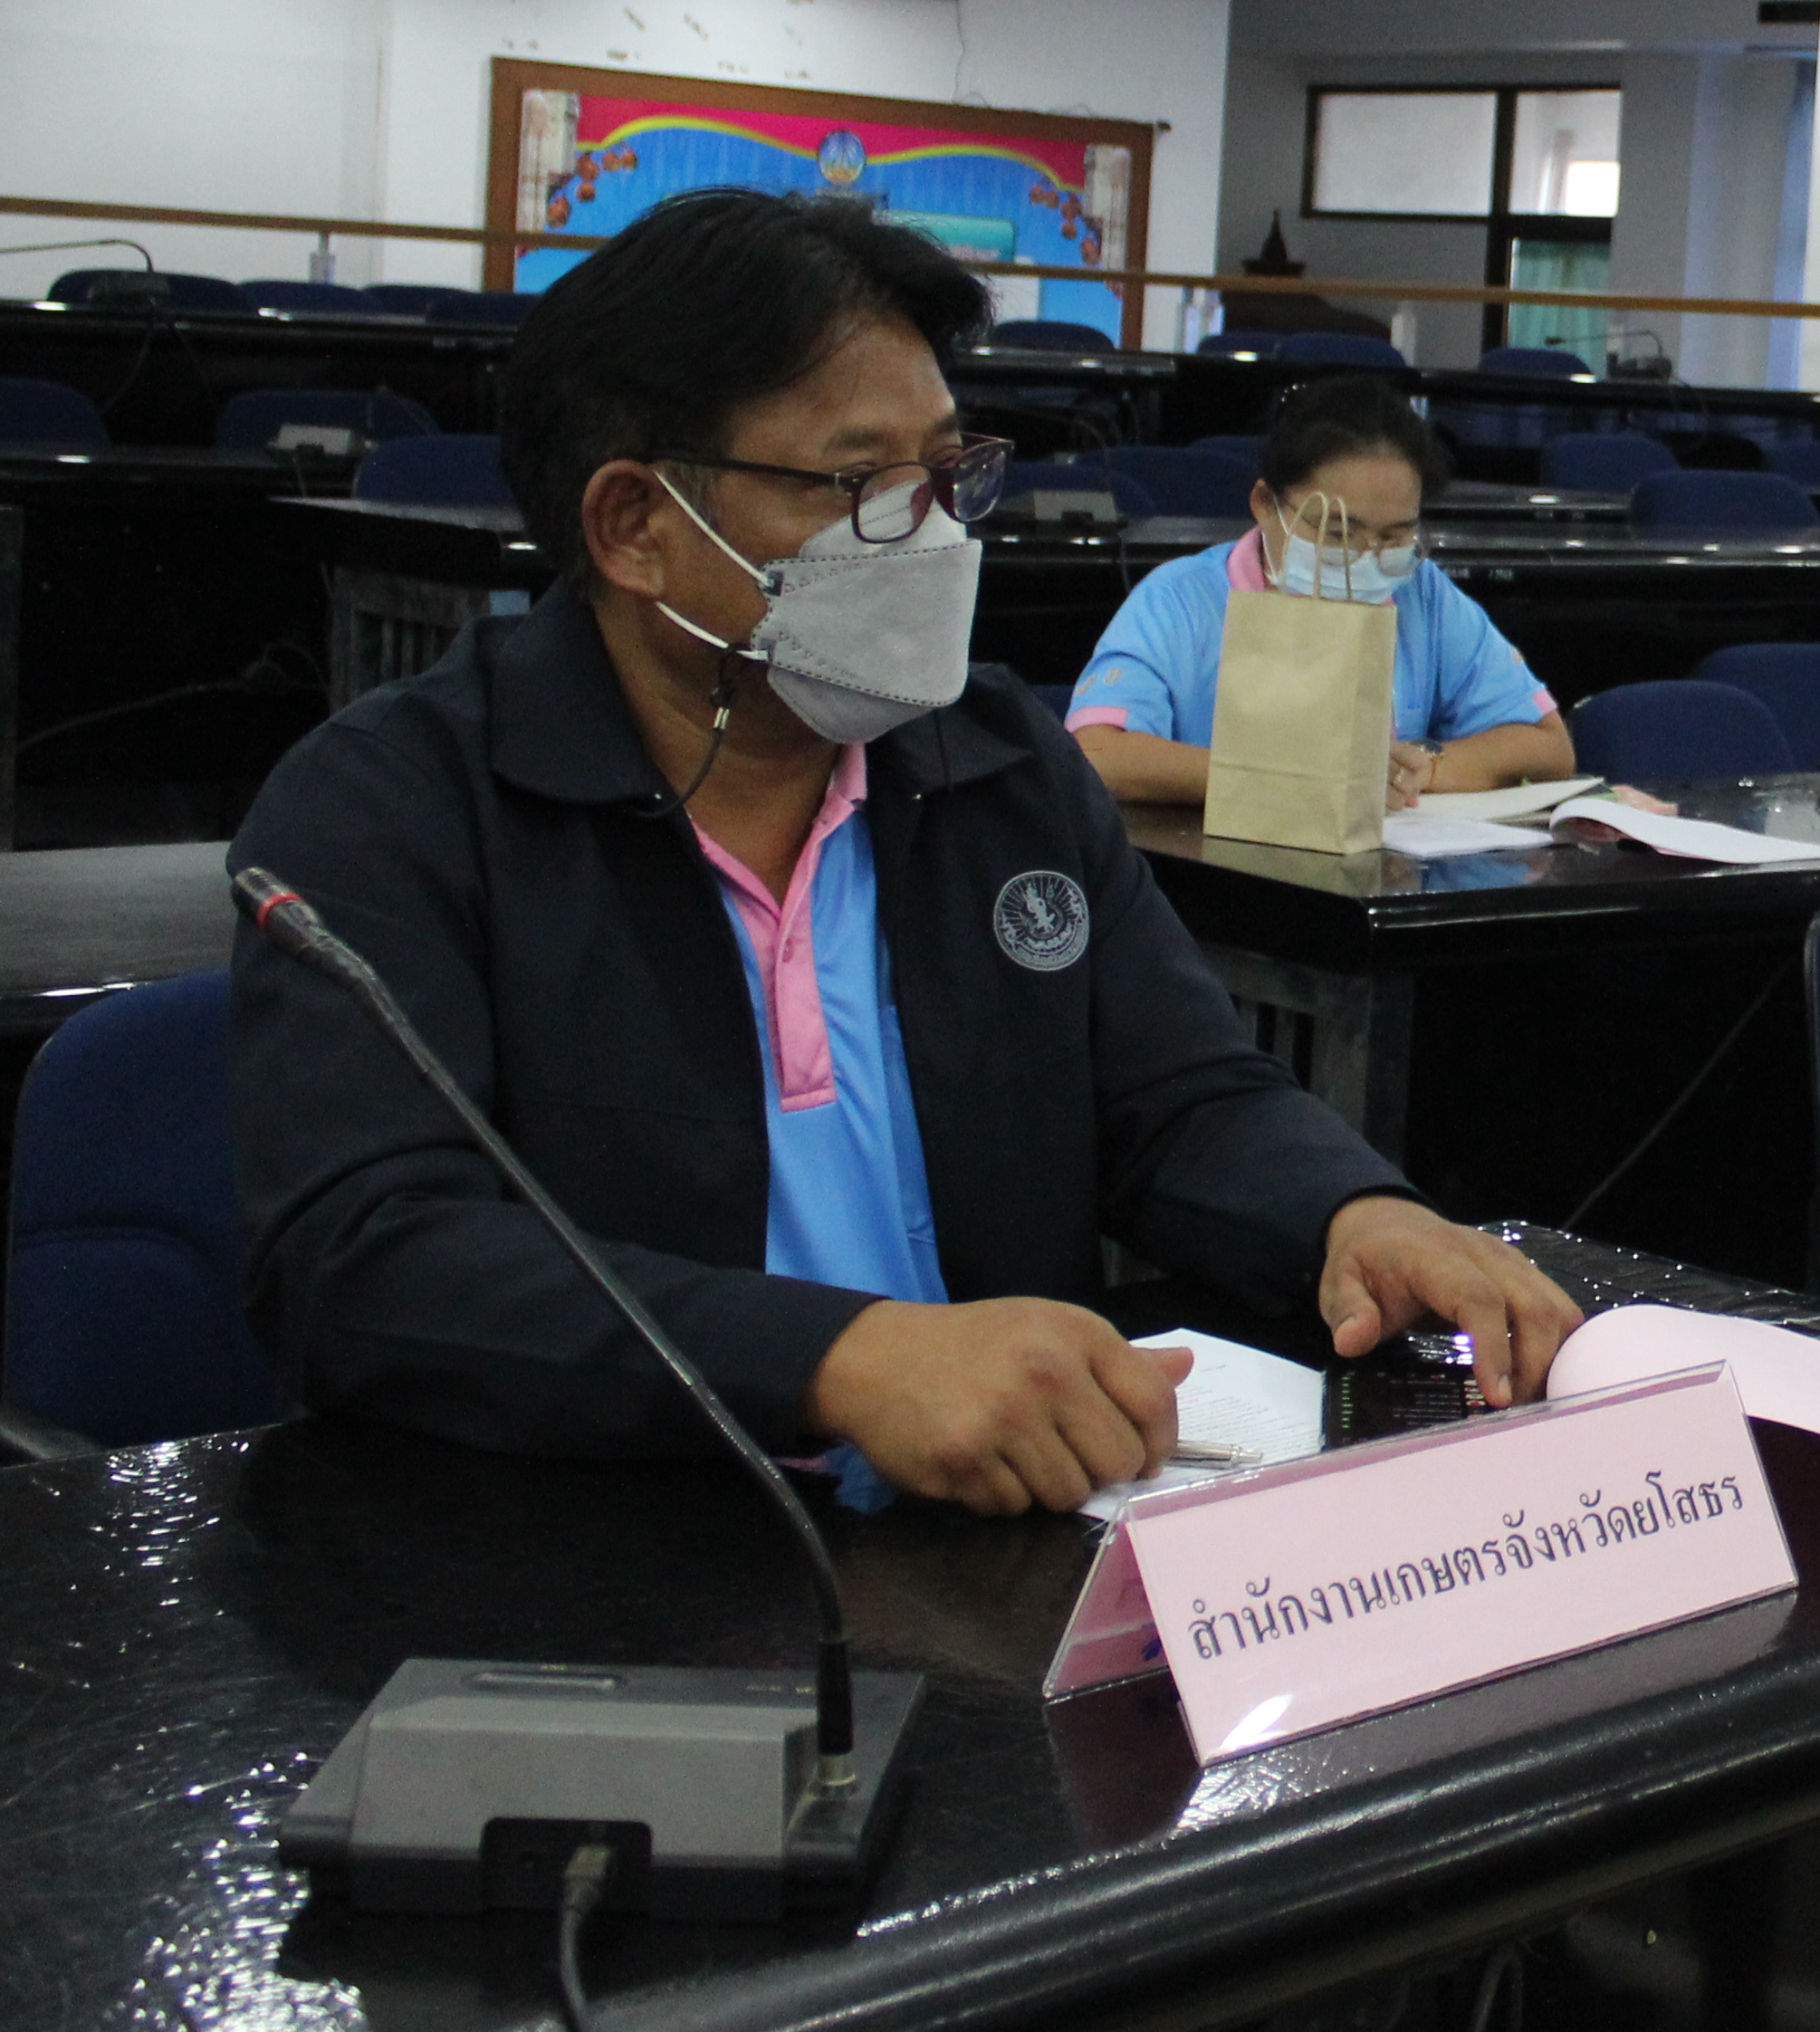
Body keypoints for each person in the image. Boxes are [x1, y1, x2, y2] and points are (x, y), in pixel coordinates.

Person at [228, 188, 1577, 1514]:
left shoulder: (992, 761)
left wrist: (1352, 1215)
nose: (930, 536)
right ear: (637, 526)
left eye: (945, 475)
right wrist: (836, 1360)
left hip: (1004, 1537)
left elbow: (1181, 1098)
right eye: (861, 482)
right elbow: (368, 1260)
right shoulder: (395, 808)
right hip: (596, 1563)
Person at [1065, 377, 1577, 810]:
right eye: (1337, 533)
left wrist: (1421, 769)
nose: (1366, 557)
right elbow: (1097, 756)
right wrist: (1289, 780)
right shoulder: (1180, 599)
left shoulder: (1423, 593)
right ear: (1265, 504)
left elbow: (1547, 746)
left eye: (1395, 535)